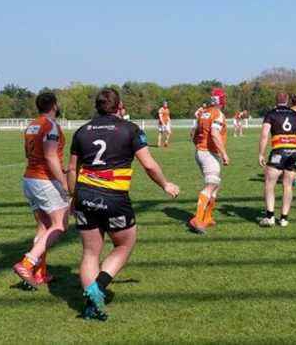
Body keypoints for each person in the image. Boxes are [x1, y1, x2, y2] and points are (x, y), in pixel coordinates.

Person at [67, 88, 179, 320]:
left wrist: (73, 197)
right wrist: (165, 184)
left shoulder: (81, 131)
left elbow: (71, 169)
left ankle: (91, 305)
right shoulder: (129, 129)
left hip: (85, 195)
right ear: (119, 106)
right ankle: (96, 289)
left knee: (90, 252)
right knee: (123, 246)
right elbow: (148, 165)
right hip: (114, 198)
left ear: (97, 107)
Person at [13, 93, 69, 289]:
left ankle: (39, 273)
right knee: (60, 225)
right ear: (54, 105)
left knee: (44, 227)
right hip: (45, 180)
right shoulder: (50, 125)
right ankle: (27, 263)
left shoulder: (32, 125)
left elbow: (28, 153)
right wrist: (64, 182)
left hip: (29, 179)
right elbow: (51, 156)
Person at [258, 92, 296, 227]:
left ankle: (270, 217)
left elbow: (264, 135)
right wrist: (295, 143)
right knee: (288, 185)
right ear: (287, 101)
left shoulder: (271, 113)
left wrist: (261, 154)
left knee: (270, 183)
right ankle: (284, 219)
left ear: (276, 101)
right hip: (294, 152)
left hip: (279, 151)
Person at [188, 88, 230, 233]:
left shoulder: (203, 112)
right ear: (222, 100)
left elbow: (193, 133)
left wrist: (199, 146)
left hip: (201, 152)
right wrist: (224, 153)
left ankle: (208, 217)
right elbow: (214, 133)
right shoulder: (217, 114)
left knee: (215, 186)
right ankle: (198, 219)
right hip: (209, 153)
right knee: (211, 185)